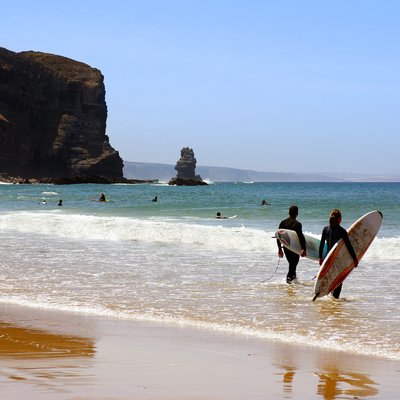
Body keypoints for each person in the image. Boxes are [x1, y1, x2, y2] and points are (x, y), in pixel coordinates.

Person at [318, 209, 358, 299]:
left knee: (330, 279)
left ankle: (330, 300)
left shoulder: (325, 229)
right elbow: (349, 246)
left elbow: (321, 245)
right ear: (339, 219)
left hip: (328, 259)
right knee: (338, 281)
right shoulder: (342, 231)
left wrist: (321, 258)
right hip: (338, 261)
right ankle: (335, 301)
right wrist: (355, 260)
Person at [277, 205, 307, 283]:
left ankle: (293, 285)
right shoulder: (297, 224)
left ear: (289, 213)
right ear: (297, 214)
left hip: (286, 247)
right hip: (295, 248)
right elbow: (301, 237)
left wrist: (279, 249)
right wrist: (303, 249)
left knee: (292, 265)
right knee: (293, 265)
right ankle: (289, 281)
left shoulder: (283, 222)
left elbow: (278, 236)